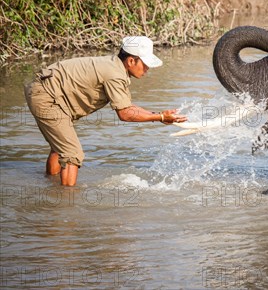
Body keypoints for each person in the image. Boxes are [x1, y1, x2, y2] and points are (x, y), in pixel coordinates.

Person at [24, 36, 187, 186]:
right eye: (145, 65)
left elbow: (128, 106)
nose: (147, 70)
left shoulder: (114, 66)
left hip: (46, 92)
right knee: (72, 153)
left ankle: (50, 187)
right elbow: (125, 114)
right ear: (131, 61)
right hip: (47, 96)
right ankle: (66, 204)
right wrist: (159, 117)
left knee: (61, 146)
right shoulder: (115, 74)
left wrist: (158, 115)